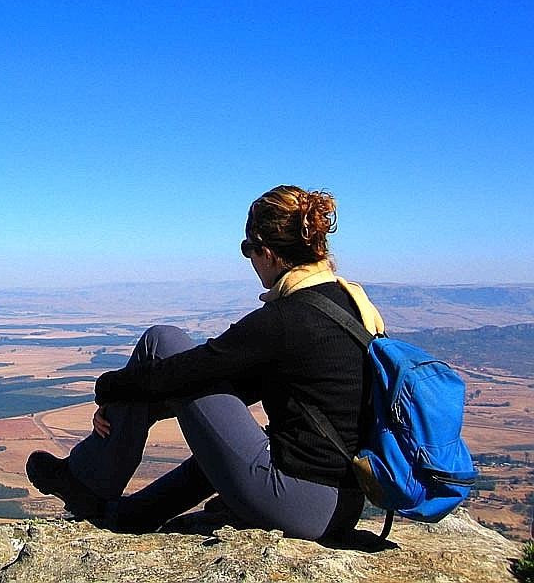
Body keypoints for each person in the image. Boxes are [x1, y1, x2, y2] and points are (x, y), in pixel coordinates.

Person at [26, 185, 385, 540]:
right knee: (229, 441)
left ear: (269, 252)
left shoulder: (285, 319)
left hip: (295, 502)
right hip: (342, 507)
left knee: (161, 340)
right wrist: (139, 402)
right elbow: (228, 394)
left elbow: (191, 369)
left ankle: (87, 482)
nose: (250, 263)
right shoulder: (351, 307)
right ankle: (131, 515)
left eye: (249, 250)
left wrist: (108, 388)